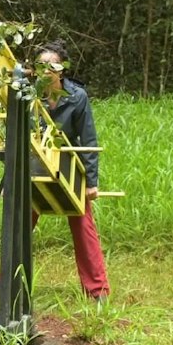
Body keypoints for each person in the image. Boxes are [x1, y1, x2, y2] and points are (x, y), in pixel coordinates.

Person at [36, 40, 109, 302]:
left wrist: (91, 182)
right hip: (37, 165)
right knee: (20, 223)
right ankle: (6, 284)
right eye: (40, 66)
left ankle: (97, 290)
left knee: (82, 224)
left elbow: (88, 140)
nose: (45, 71)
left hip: (68, 165)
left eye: (51, 66)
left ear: (61, 69)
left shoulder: (77, 97)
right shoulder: (29, 97)